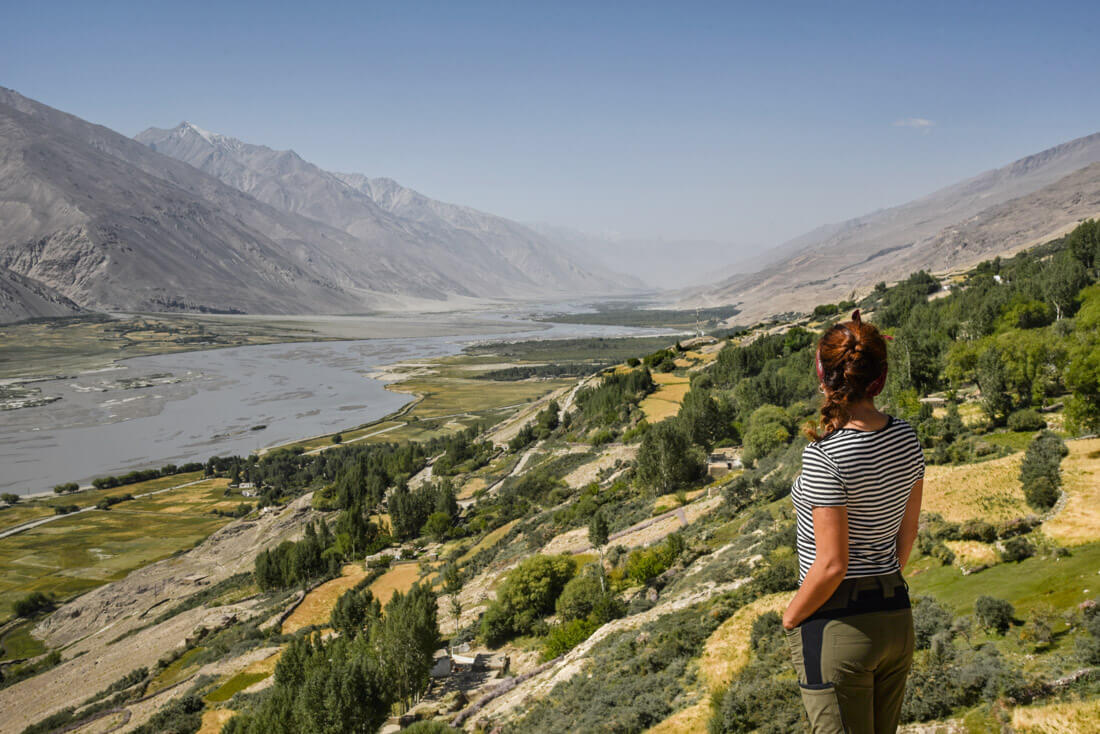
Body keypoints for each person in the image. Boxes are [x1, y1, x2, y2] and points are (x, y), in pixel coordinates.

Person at [782, 309, 925, 733]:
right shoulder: (906, 437)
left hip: (838, 624)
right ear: (879, 378)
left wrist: (791, 618)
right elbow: (908, 532)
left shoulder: (826, 457)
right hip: (896, 619)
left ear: (825, 376)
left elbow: (832, 564)